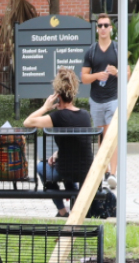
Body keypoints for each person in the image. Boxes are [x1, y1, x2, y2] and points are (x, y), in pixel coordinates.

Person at [26, 69, 94, 218]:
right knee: (65, 169)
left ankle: (62, 211)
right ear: (73, 93)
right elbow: (76, 143)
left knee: (40, 167)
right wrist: (57, 154)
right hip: (86, 170)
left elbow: (28, 122)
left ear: (57, 95)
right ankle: (75, 209)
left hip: (65, 170)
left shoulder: (56, 117)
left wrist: (45, 107)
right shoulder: (85, 115)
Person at [80, 13, 119, 185]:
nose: (103, 28)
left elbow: (128, 74)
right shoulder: (92, 51)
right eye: (100, 25)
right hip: (96, 100)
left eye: (106, 25)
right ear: (97, 29)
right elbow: (84, 78)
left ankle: (113, 173)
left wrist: (116, 72)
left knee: (111, 134)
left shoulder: (117, 49)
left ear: (111, 28)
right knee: (101, 136)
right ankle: (103, 172)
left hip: (113, 98)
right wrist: (97, 75)